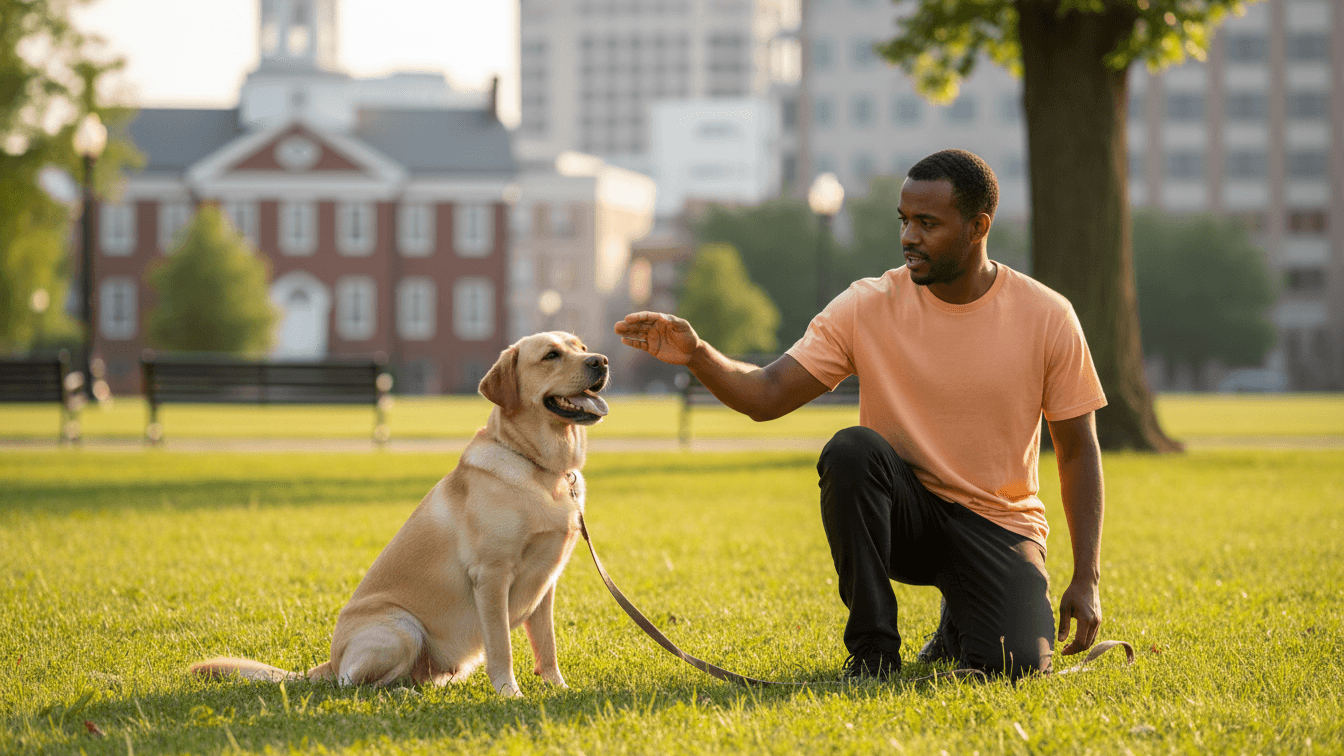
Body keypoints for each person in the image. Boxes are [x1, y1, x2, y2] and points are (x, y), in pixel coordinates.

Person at [614, 149, 1106, 680]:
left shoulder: (1047, 316)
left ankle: (962, 617)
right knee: (852, 451)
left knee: (1014, 667)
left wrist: (1087, 577)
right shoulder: (867, 304)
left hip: (997, 522)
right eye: (904, 221)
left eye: (927, 223)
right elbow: (767, 393)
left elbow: (1078, 449)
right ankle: (873, 651)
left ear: (977, 226)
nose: (908, 236)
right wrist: (697, 354)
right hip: (903, 517)